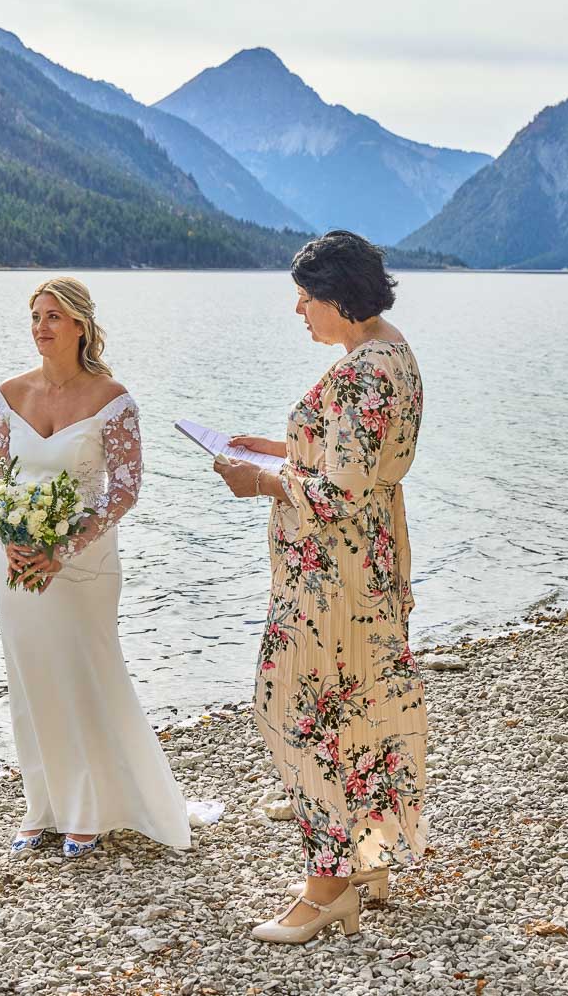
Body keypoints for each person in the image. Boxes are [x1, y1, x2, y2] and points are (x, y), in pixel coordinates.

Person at [214, 231, 427, 944]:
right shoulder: (389, 353)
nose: (298, 310)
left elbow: (336, 491)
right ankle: (364, 860)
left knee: (293, 711)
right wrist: (274, 447)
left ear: (337, 298)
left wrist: (259, 481)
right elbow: (355, 460)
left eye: (305, 299)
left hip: (331, 576)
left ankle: (327, 886)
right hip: (363, 569)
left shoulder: (365, 372)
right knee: (353, 707)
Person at [0, 276, 190, 859]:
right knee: (30, 680)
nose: (41, 328)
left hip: (83, 564)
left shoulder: (111, 399)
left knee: (82, 673)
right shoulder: (8, 395)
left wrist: (61, 548)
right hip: (17, 563)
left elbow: (124, 490)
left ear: (80, 326)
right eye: (35, 317)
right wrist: (14, 538)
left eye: (53, 317)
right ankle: (42, 806)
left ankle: (90, 810)